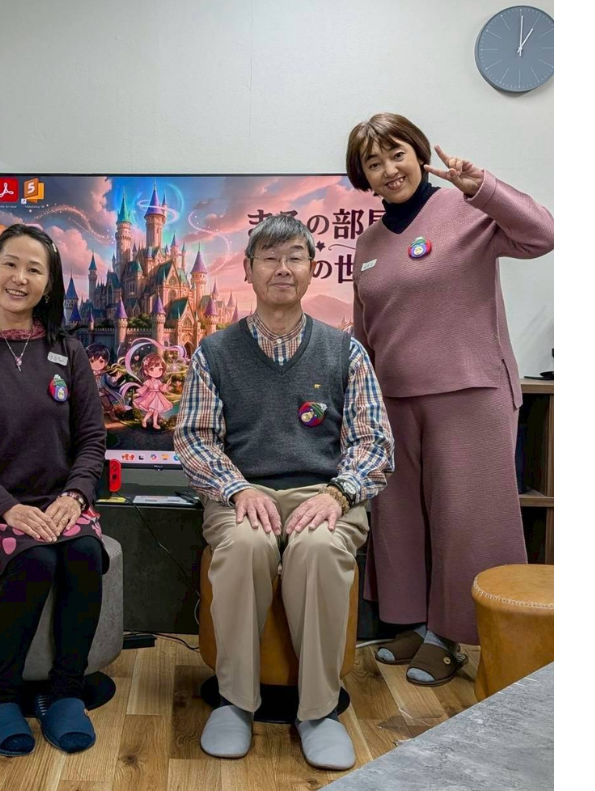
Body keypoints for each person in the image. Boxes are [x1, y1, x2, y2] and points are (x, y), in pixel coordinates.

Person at [174, 215, 394, 771]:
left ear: (312, 268)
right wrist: (236, 488)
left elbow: (374, 443)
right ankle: (234, 702)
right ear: (248, 270)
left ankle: (318, 711)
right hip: (241, 494)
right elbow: (195, 438)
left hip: (325, 492)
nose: (282, 268)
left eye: (294, 257)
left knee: (318, 550)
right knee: (244, 547)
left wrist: (338, 494)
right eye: (269, 258)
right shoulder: (215, 352)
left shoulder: (345, 352)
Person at [346, 113, 555, 686]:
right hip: (393, 399)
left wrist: (482, 186)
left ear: (418, 154)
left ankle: (452, 636)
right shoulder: (367, 243)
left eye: (397, 154)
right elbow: (365, 329)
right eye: (373, 162)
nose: (389, 170)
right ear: (363, 176)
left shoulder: (467, 209)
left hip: (469, 391)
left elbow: (543, 235)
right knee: (400, 520)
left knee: (466, 520)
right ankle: (416, 624)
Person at [0, 223, 108, 758]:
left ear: (49, 284)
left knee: (83, 554)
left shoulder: (68, 351)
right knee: (34, 560)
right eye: (11, 263)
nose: (20, 277)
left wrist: (74, 496)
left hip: (57, 499)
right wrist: (5, 508)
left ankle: (65, 692)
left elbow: (92, 440)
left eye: (35, 269)